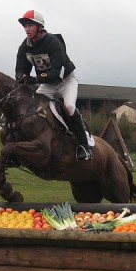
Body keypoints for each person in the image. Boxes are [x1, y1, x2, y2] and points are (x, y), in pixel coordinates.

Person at [14, 9, 92, 160]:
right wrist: (21, 76)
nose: (27, 29)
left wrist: (34, 79)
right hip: (47, 84)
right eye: (25, 26)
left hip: (65, 82)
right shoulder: (25, 46)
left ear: (39, 26)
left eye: (30, 25)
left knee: (69, 107)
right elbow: (20, 69)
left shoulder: (53, 42)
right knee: (32, 107)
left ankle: (84, 146)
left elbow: (55, 73)